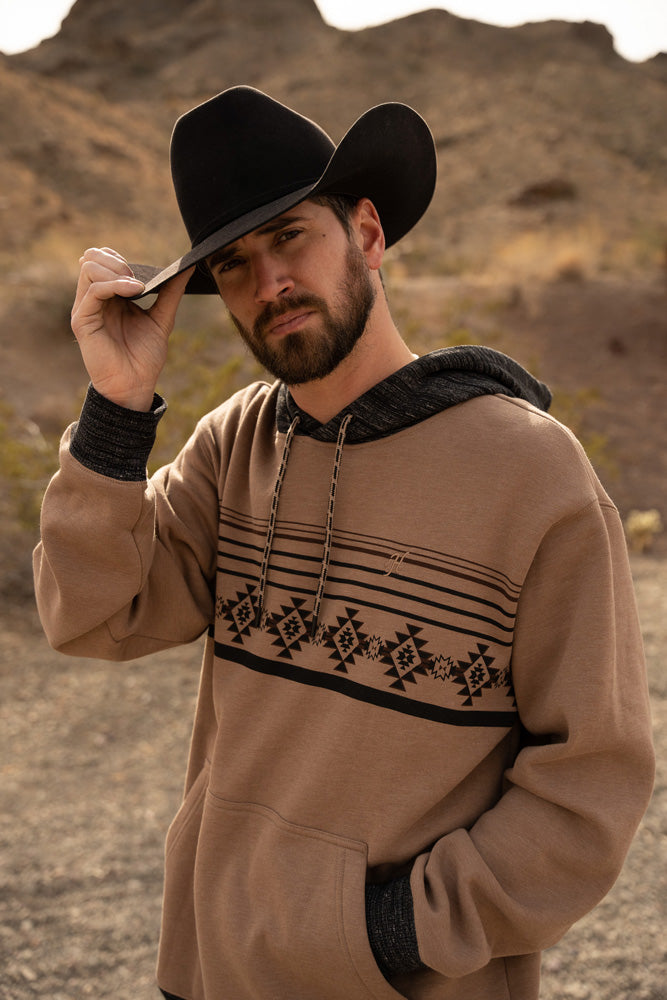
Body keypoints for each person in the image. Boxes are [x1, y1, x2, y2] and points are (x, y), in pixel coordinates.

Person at [34, 86, 654, 1000]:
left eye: (291, 237)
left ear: (365, 233)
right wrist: (117, 409)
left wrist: (377, 933)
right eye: (233, 264)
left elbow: (590, 786)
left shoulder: (532, 475)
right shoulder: (232, 443)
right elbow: (90, 616)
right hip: (207, 978)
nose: (268, 283)